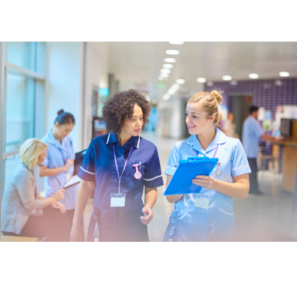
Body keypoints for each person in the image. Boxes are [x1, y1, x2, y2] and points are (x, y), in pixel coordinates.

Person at [70, 90, 164, 243]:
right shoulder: (97, 145)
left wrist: (148, 206)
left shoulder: (148, 149)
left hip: (133, 223)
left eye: (141, 118)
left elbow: (152, 187)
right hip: (102, 221)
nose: (139, 123)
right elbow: (86, 185)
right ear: (119, 119)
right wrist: (75, 224)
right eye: (133, 119)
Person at [164, 91, 251, 243]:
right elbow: (170, 197)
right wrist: (184, 180)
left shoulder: (233, 146)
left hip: (219, 228)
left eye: (194, 116)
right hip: (185, 228)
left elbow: (243, 190)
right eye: (187, 114)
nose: (188, 120)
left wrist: (215, 184)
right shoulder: (180, 148)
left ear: (211, 118)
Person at [1, 139, 69, 242]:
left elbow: (34, 195)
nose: (46, 156)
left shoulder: (28, 167)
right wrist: (53, 199)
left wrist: (52, 202)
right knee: (51, 227)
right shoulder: (23, 173)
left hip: (25, 215)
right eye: (44, 154)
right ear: (35, 156)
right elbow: (31, 205)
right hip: (14, 226)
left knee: (60, 215)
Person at [39, 110, 77, 229]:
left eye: (70, 130)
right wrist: (64, 168)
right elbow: (42, 172)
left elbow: (71, 159)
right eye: (66, 130)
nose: (68, 133)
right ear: (57, 125)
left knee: (72, 226)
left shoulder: (68, 139)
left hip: (70, 189)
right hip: (55, 191)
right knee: (59, 230)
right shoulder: (44, 143)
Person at [242, 106, 272, 195]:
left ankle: (251, 189)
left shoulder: (247, 121)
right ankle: (253, 189)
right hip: (251, 152)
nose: (258, 114)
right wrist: (273, 139)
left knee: (251, 172)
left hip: (247, 150)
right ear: (255, 112)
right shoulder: (252, 122)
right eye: (258, 112)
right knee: (253, 172)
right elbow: (262, 134)